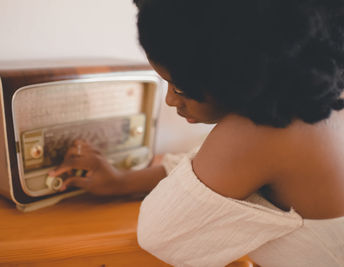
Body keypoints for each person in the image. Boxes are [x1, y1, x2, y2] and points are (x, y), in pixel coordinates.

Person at [49, 0, 344, 266]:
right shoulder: (322, 97)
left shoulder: (258, 133)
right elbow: (223, 174)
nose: (170, 101)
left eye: (181, 88)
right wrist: (122, 182)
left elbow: (160, 235)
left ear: (239, 76)